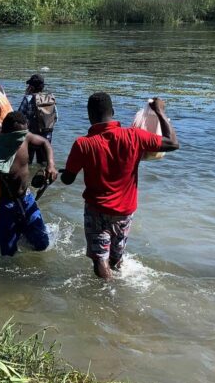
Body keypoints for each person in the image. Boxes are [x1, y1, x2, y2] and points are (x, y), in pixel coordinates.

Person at [60, 93, 180, 279]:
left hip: (97, 210)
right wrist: (160, 112)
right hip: (125, 211)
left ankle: (107, 298)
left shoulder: (83, 144)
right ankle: (118, 288)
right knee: (116, 258)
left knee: (100, 260)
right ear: (113, 112)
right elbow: (172, 143)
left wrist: (62, 171)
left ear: (89, 115)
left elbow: (67, 179)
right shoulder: (134, 136)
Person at [0, 112, 58, 259]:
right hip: (5, 206)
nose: (21, 140)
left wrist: (51, 164)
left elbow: (44, 142)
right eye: (18, 137)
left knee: (42, 245)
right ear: (5, 134)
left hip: (26, 199)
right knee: (8, 255)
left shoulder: (24, 137)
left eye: (24, 135)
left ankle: (26, 232)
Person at [18, 74, 57, 165]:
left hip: (31, 137)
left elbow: (19, 117)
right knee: (43, 164)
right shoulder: (50, 99)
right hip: (46, 138)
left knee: (27, 163)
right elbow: (56, 118)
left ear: (31, 87)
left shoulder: (27, 98)